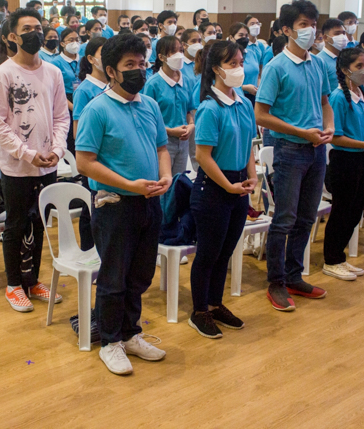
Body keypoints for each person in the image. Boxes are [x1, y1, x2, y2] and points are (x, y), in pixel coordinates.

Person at [76, 33, 171, 375]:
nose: (138, 71)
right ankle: (111, 342)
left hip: (149, 203)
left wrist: (166, 176)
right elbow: (85, 162)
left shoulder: (149, 105)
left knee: (140, 274)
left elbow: (162, 147)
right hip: (115, 204)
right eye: (129, 65)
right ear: (112, 71)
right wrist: (129, 184)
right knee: (114, 278)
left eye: (142, 63)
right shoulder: (96, 109)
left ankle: (130, 333)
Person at [0, 8, 68, 310]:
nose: (35, 33)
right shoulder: (3, 73)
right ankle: (13, 284)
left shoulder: (54, 73)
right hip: (17, 165)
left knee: (39, 223)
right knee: (17, 224)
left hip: (48, 162)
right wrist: (27, 153)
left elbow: (61, 116)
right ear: (13, 36)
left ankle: (33, 281)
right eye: (27, 28)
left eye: (39, 27)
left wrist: (57, 151)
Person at [255, 0, 333, 310]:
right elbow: (261, 115)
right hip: (290, 150)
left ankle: (294, 275)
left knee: (306, 217)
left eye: (313, 23)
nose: (311, 29)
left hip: (317, 149)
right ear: (286, 30)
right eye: (303, 24)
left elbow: (325, 102)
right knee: (284, 219)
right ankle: (275, 282)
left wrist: (329, 126)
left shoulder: (318, 63)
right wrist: (302, 132)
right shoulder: (277, 67)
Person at [188, 40, 256, 338]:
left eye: (240, 62)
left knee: (225, 251)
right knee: (208, 253)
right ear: (216, 69)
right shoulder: (209, 108)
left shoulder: (242, 102)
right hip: (214, 189)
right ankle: (199, 311)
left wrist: (251, 177)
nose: (239, 68)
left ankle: (216, 304)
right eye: (232, 64)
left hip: (238, 185)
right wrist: (228, 185)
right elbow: (203, 156)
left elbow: (249, 147)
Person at [322, 48, 364, 281]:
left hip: (363, 158)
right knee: (341, 211)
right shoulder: (338, 97)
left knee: (356, 211)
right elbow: (336, 137)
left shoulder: (361, 94)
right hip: (345, 161)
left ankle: (340, 256)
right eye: (359, 66)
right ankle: (331, 259)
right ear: (345, 70)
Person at [72, 36, 107, 252]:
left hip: (111, 157)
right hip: (93, 157)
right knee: (90, 205)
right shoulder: (84, 90)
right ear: (92, 59)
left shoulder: (115, 87)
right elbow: (78, 132)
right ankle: (88, 250)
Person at [143, 35, 195, 175]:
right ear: (161, 56)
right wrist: (171, 131)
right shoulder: (153, 84)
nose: (178, 55)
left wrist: (190, 126)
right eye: (173, 51)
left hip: (183, 141)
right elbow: (148, 120)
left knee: (178, 184)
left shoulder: (187, 81)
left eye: (180, 50)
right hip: (162, 142)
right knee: (163, 183)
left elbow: (188, 111)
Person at [50, 27, 81, 152]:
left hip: (81, 97)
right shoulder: (56, 63)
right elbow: (55, 91)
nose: (75, 43)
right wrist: (73, 107)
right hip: (65, 100)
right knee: (69, 137)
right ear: (62, 43)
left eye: (77, 39)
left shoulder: (83, 59)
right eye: (71, 40)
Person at [317, 18, 347, 90]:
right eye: (337, 33)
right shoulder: (319, 61)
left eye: (343, 33)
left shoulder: (345, 58)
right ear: (325, 37)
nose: (342, 37)